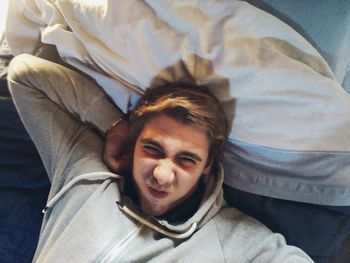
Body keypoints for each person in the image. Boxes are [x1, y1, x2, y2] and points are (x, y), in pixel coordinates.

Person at [8, 53, 312, 262]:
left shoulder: (231, 238)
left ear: (207, 167)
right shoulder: (84, 167)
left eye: (186, 160)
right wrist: (114, 127)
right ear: (134, 141)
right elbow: (24, 73)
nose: (162, 176)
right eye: (152, 150)